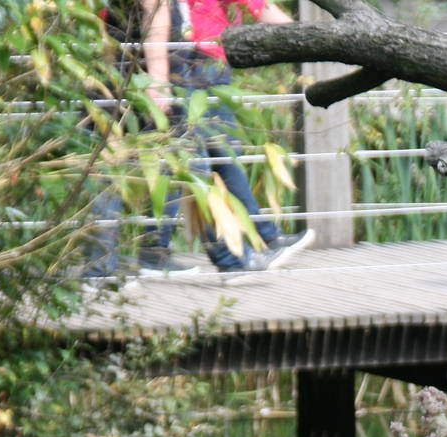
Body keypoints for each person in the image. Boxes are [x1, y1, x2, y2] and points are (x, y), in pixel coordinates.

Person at [86, 0, 314, 278]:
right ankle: (238, 253)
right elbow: (155, 21)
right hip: (178, 72)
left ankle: (168, 255)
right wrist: (158, 83)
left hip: (159, 74)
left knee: (188, 163)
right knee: (203, 161)